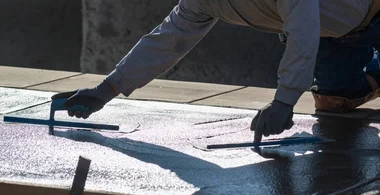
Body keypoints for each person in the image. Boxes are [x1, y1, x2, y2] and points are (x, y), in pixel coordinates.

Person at [54, 0, 380, 143]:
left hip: (372, 16)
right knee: (336, 100)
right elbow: (169, 40)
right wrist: (106, 89)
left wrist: (284, 101)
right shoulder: (201, 0)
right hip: (338, 35)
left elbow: (303, 31)